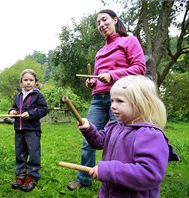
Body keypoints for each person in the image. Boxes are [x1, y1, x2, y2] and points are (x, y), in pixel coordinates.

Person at [68, 9, 146, 190]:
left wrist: (112, 75)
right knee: (88, 137)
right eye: (98, 23)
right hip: (98, 99)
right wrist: (92, 82)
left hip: (121, 98)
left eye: (104, 20)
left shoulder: (129, 41)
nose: (101, 25)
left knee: (118, 141)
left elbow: (140, 68)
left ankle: (115, 178)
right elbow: (100, 78)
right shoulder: (99, 52)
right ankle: (84, 179)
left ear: (115, 20)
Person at [77, 75, 180, 197]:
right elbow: (99, 142)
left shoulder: (150, 135)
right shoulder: (113, 126)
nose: (113, 106)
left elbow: (149, 174)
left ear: (141, 103)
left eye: (119, 101)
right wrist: (89, 129)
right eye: (112, 100)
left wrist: (109, 171)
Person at [9, 69, 48, 192]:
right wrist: (12, 111)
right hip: (19, 129)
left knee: (33, 153)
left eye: (31, 80)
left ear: (36, 82)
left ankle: (32, 176)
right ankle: (20, 174)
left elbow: (43, 109)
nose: (28, 82)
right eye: (25, 80)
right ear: (21, 82)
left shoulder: (38, 95)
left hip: (32, 129)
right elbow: (14, 107)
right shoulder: (18, 96)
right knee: (20, 152)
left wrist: (30, 114)